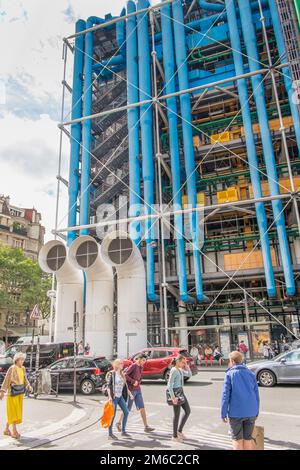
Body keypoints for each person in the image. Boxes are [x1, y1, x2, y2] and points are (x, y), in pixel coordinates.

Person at [221, 351, 260, 451]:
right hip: (251, 411)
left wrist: (223, 413)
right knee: (248, 439)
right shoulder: (251, 374)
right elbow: (256, 395)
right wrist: (256, 411)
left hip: (236, 413)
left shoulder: (229, 374)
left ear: (232, 361)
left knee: (237, 440)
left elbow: (225, 395)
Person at [0, 352, 33, 438]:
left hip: (20, 393)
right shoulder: (12, 368)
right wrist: (2, 391)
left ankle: (6, 429)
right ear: (16, 360)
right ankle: (14, 432)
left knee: (16, 413)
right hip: (12, 394)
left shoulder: (23, 368)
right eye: (21, 359)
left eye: (23, 359)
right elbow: (7, 379)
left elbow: (25, 379)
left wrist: (29, 386)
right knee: (14, 413)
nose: (22, 361)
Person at [125, 354, 155, 433]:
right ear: (139, 359)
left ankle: (146, 426)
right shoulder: (133, 366)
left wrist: (139, 382)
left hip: (138, 390)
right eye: (143, 360)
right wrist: (133, 381)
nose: (144, 362)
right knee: (127, 409)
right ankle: (118, 423)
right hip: (131, 390)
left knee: (142, 407)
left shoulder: (141, 367)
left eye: (145, 361)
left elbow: (140, 377)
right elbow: (125, 375)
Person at [167, 355, 192, 442]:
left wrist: (187, 366)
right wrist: (173, 397)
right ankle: (174, 436)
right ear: (178, 362)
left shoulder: (180, 370)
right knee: (176, 414)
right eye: (183, 362)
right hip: (175, 394)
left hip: (181, 393)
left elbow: (189, 374)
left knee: (188, 411)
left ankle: (179, 431)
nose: (184, 364)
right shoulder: (174, 370)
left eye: (185, 362)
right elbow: (169, 385)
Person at [106, 359, 132, 440]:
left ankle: (123, 431)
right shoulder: (112, 374)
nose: (122, 365)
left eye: (122, 363)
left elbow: (125, 386)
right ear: (117, 365)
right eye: (121, 363)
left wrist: (130, 394)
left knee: (126, 412)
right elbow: (108, 386)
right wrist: (110, 397)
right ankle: (110, 434)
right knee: (112, 415)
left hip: (120, 396)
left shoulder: (122, 374)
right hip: (114, 397)